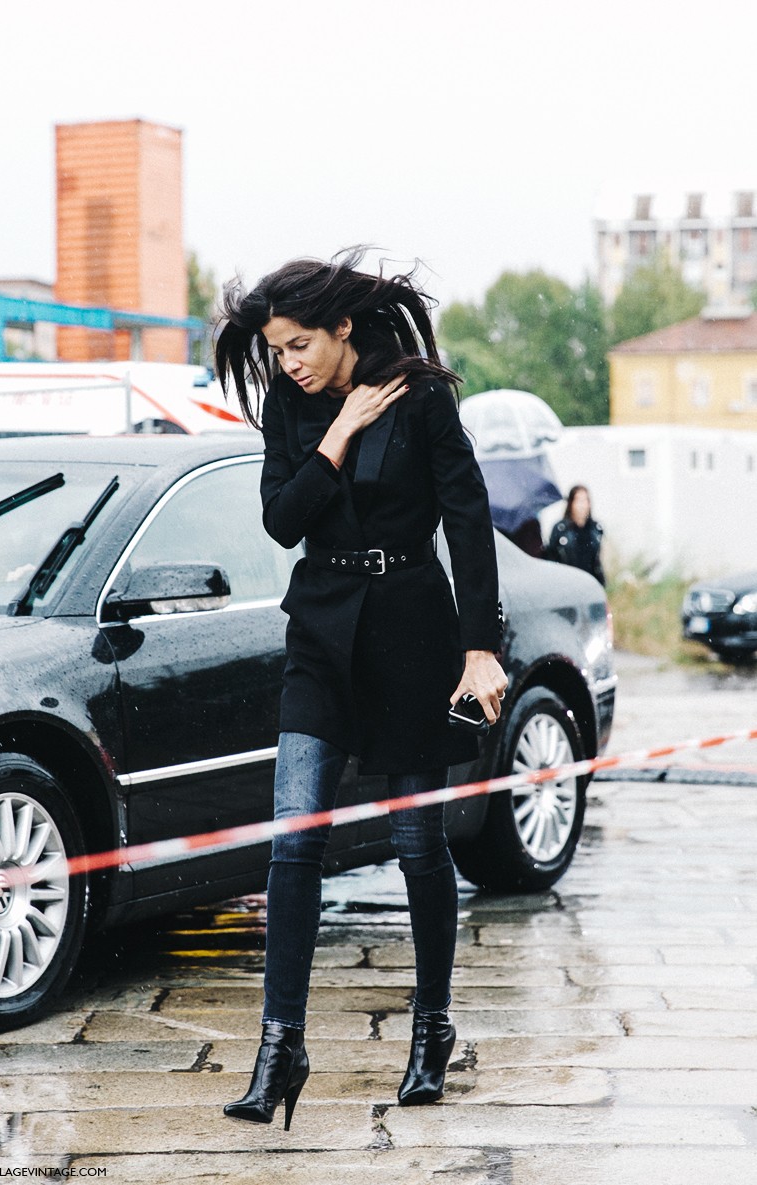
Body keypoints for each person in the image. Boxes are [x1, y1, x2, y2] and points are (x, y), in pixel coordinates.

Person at [213, 250, 508, 1129]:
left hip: (411, 634)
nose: (288, 361)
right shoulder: (290, 406)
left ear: (343, 328)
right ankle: (280, 1047)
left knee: (418, 844)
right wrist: (337, 436)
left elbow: (468, 519)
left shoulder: (420, 398)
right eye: (277, 349)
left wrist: (478, 648)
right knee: (292, 840)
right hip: (320, 632)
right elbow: (282, 517)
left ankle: (431, 1030)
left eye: (300, 343)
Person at [545, 484, 605, 585]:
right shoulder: (561, 529)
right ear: (571, 503)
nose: (582, 505)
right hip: (567, 583)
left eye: (585, 500)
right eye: (579, 500)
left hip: (590, 583)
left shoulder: (595, 529)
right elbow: (552, 558)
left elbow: (597, 562)